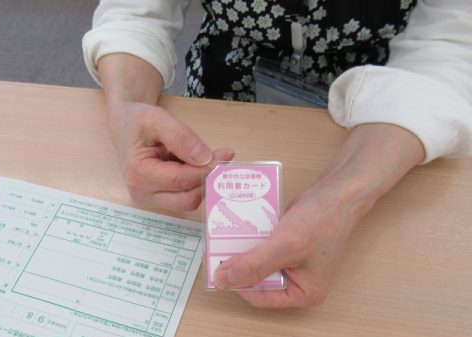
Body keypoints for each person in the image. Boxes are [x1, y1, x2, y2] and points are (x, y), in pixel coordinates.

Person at [82, 1, 472, 308]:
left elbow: (450, 42)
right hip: (222, 96)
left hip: (388, 111)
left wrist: (346, 199)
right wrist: (127, 107)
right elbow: (134, 11)